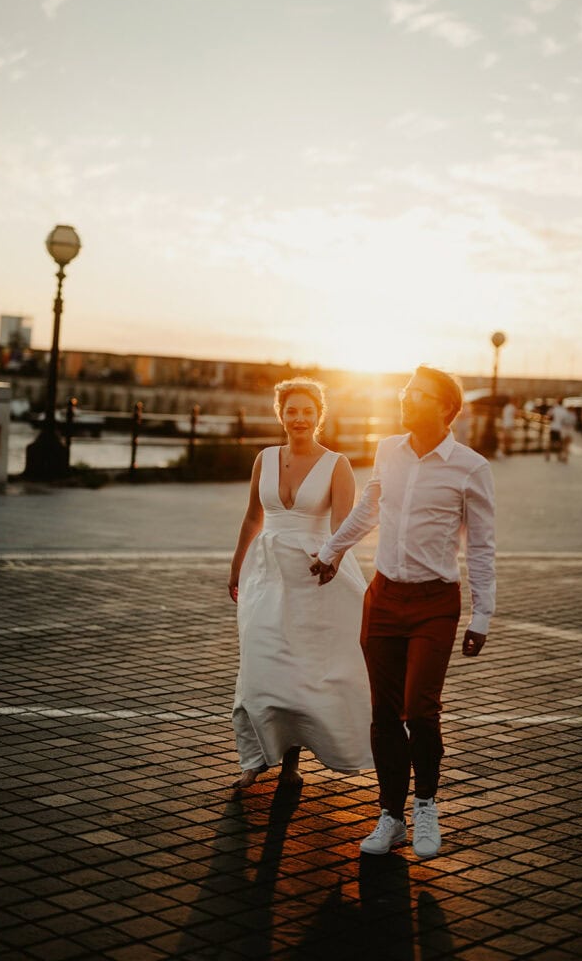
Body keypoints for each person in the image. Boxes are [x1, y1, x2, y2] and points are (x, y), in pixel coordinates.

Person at [310, 365, 495, 860]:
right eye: (405, 389)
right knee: (384, 712)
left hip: (435, 604)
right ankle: (390, 816)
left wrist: (483, 615)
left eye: (417, 393)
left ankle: (426, 806)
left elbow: (480, 546)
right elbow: (370, 507)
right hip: (385, 599)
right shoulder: (388, 449)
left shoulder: (471, 467)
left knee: (422, 710)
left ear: (444, 407)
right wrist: (330, 551)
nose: (405, 397)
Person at [228, 377, 372, 791]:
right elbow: (253, 517)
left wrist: (334, 558)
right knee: (260, 662)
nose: (299, 418)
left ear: (319, 415)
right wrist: (237, 565)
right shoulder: (264, 459)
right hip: (266, 574)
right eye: (292, 410)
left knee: (301, 669)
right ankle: (254, 759)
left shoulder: (336, 464)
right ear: (281, 414)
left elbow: (344, 525)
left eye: (308, 411)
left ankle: (291, 763)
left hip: (314, 575)